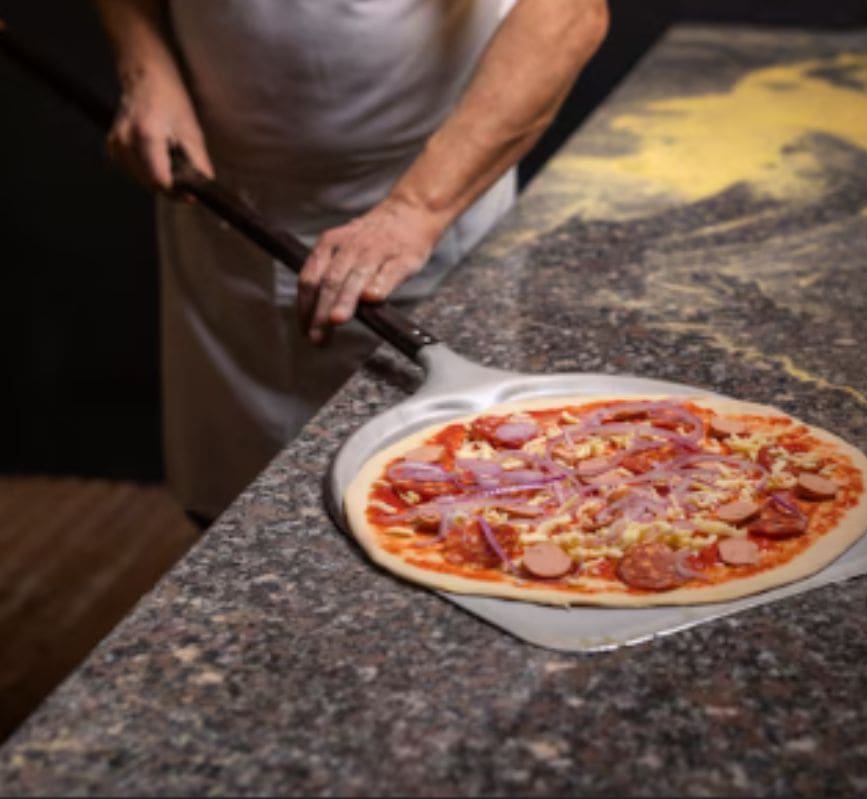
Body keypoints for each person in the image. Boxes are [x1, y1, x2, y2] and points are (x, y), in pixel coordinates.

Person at [94, 0, 609, 523]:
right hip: (221, 200)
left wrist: (418, 209)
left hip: (428, 200)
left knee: (437, 512)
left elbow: (566, 14)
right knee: (233, 514)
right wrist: (146, 68)